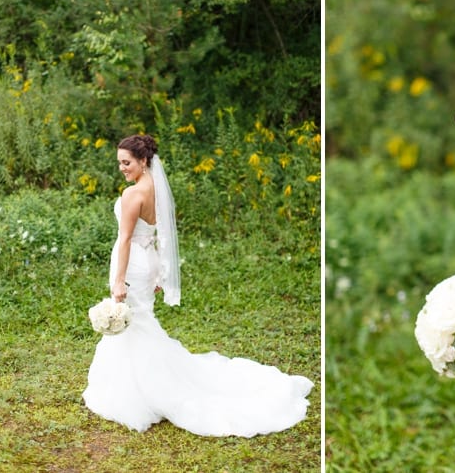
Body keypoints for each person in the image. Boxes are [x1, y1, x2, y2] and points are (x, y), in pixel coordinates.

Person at [83, 134, 313, 436]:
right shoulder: (155, 189)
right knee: (140, 321)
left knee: (135, 324)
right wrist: (159, 275)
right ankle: (136, 383)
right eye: (119, 163)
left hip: (133, 265)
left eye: (126, 163)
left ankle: (143, 392)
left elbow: (125, 239)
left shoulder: (133, 194)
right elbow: (158, 234)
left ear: (142, 161)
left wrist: (117, 281)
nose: (122, 169)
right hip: (147, 260)